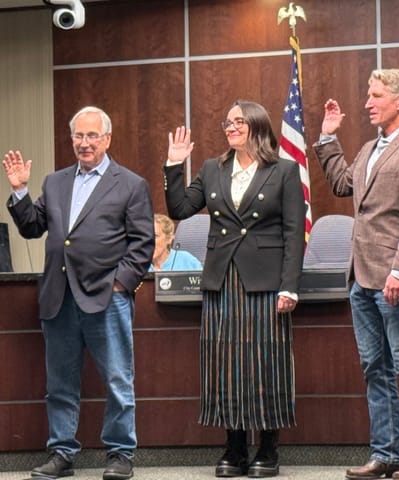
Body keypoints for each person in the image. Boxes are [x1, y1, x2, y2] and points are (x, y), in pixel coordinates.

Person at [2, 106, 154, 480]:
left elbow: (143, 243)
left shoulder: (130, 184)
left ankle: (120, 454)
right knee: (60, 384)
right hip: (60, 296)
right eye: (78, 137)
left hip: (108, 297)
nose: (84, 143)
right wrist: (20, 191)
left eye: (91, 136)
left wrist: (120, 284)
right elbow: (33, 227)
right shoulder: (55, 182)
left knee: (118, 380)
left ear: (107, 139)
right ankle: (62, 452)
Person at [162, 100, 305, 478]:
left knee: (266, 363)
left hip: (266, 280)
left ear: (257, 125)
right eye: (227, 122)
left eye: (239, 121)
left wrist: (289, 286)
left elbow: (294, 233)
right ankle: (235, 447)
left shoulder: (285, 171)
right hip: (222, 278)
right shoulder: (213, 168)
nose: (231, 127)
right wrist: (175, 164)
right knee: (225, 364)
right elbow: (179, 208)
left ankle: (268, 447)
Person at [314, 69, 399, 480]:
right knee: (375, 369)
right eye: (368, 94)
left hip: (395, 279)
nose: (367, 102)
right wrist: (329, 137)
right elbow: (343, 184)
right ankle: (386, 454)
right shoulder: (370, 148)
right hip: (361, 278)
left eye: (376, 95)